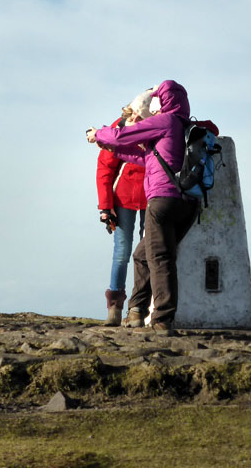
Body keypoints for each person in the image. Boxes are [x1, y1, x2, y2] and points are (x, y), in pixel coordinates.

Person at [86, 80, 200, 335]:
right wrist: (112, 149)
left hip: (163, 200)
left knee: (160, 258)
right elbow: (146, 158)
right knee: (142, 255)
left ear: (166, 100)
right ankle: (136, 312)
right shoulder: (184, 126)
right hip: (189, 204)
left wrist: (99, 134)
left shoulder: (166, 121)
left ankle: (162, 319)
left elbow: (122, 134)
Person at [96, 90, 153, 326]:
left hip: (153, 196)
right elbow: (105, 168)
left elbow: (211, 129)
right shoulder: (120, 125)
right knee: (123, 252)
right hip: (125, 197)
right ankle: (115, 309)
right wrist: (105, 207)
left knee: (149, 253)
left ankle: (139, 309)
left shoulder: (163, 123)